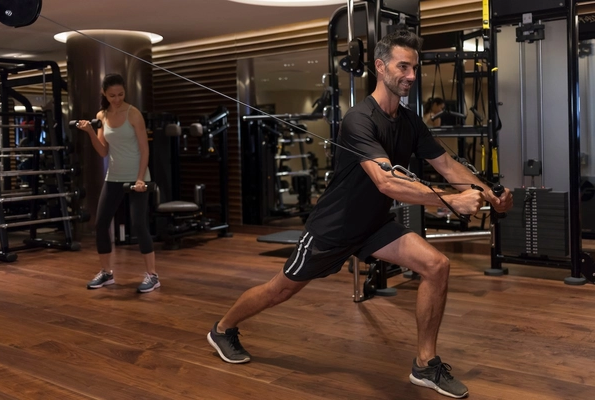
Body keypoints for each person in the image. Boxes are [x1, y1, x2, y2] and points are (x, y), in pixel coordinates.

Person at [207, 30, 512, 398]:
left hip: (373, 225)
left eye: (414, 68)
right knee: (280, 290)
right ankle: (223, 329)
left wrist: (486, 193)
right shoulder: (359, 120)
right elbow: (387, 183)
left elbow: (447, 165)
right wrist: (452, 201)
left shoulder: (410, 122)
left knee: (436, 265)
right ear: (381, 67)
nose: (411, 75)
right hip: (333, 227)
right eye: (403, 66)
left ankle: (425, 364)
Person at [77, 73, 160, 293]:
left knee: (139, 224)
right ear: (105, 93)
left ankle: (152, 276)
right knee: (101, 223)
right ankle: (106, 273)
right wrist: (89, 132)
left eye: (121, 94)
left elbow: (144, 149)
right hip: (113, 176)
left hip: (137, 175)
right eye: (112, 95)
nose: (117, 99)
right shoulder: (101, 116)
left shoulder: (133, 114)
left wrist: (141, 178)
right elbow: (103, 151)